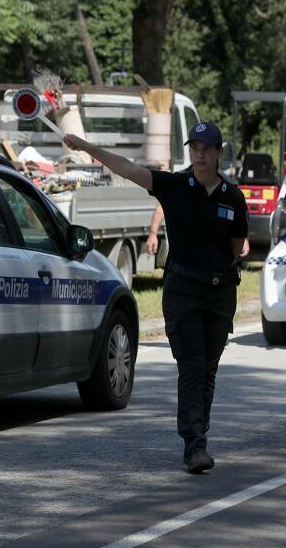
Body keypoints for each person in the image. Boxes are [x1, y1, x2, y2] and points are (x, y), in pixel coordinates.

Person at [63, 122, 249, 474]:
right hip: (184, 290)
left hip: (220, 291)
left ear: (219, 153)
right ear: (190, 151)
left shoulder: (233, 197)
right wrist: (86, 147)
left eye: (207, 148)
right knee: (192, 366)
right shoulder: (175, 186)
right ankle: (195, 446)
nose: (200, 154)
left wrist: (230, 256)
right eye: (195, 147)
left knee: (208, 368)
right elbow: (127, 168)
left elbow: (239, 247)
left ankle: (199, 434)